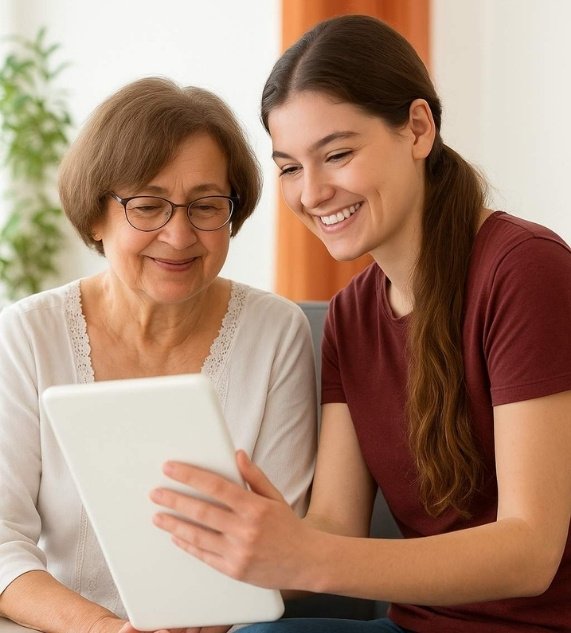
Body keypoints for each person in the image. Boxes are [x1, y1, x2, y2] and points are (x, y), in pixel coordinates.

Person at [149, 14, 571, 633]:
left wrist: (311, 555)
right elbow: (335, 527)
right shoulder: (350, 317)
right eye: (290, 166)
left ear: (418, 129)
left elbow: (529, 551)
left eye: (338, 154)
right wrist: (253, 549)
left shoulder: (525, 270)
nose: (313, 192)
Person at [0, 77, 318, 633]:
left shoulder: (276, 332)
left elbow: (290, 541)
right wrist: (104, 629)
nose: (178, 235)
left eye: (205, 205)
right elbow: (2, 543)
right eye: (147, 206)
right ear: (96, 217)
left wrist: (205, 621)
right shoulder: (28, 334)